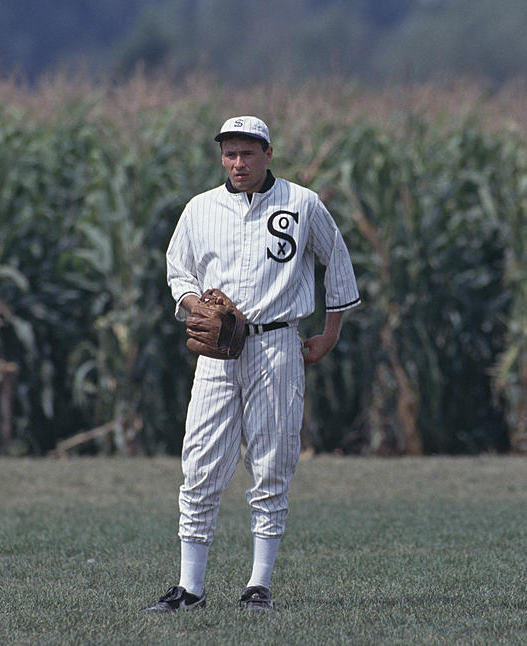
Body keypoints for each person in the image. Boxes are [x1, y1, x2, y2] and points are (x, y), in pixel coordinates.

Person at [143, 116, 361, 613]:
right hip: (218, 352)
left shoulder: (301, 203)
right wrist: (194, 305)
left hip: (277, 345)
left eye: (247, 153)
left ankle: (258, 585)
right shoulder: (201, 208)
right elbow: (179, 269)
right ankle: (190, 589)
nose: (237, 163)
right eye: (229, 153)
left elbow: (339, 261)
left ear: (267, 153)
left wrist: (330, 333)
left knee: (271, 464)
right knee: (200, 465)